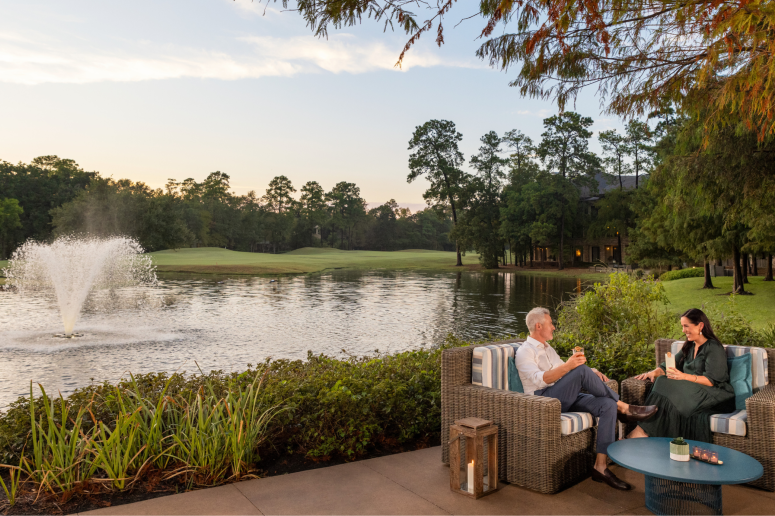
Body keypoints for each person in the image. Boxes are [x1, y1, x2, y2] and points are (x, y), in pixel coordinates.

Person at [516, 307, 657, 491]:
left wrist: (592, 372)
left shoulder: (547, 348)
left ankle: (600, 467)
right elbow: (542, 379)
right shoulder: (525, 351)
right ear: (538, 326)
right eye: (551, 323)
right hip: (543, 401)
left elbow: (564, 370)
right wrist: (573, 367)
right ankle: (624, 407)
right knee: (581, 370)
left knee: (607, 405)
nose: (554, 327)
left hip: (563, 397)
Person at [628, 308, 735, 442]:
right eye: (682, 326)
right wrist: (654, 372)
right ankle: (647, 432)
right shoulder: (689, 346)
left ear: (700, 325)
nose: (683, 330)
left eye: (686, 326)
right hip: (692, 392)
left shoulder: (713, 347)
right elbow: (670, 365)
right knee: (661, 380)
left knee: (663, 382)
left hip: (714, 395)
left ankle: (642, 431)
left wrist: (683, 377)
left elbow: (712, 380)